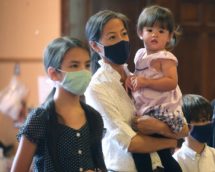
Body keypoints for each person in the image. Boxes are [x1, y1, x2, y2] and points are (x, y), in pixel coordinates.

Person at [84, 10, 188, 172]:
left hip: (160, 165)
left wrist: (158, 127)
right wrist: (169, 141)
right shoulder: (97, 88)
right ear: (95, 46)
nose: (121, 41)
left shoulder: (143, 78)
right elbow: (129, 142)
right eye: (112, 37)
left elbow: (184, 128)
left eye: (124, 34)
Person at [10, 37, 107, 172]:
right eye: (74, 65)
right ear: (54, 74)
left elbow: (99, 164)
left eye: (86, 65)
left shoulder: (93, 117)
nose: (83, 72)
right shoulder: (40, 118)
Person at [125, 5, 185, 172]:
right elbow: (138, 76)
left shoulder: (165, 57)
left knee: (161, 153)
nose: (154, 34)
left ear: (170, 36)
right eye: (150, 29)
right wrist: (132, 80)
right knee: (144, 152)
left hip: (161, 110)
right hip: (145, 107)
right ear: (140, 32)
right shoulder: (139, 55)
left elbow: (171, 82)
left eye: (161, 31)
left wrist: (145, 82)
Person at [173, 94, 215, 172]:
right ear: (185, 124)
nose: (208, 124)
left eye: (209, 119)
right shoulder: (176, 161)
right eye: (203, 120)